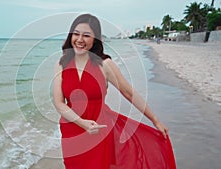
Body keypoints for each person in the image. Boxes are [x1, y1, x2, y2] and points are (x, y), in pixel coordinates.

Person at [53, 13, 176, 169]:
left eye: (86, 35)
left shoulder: (105, 64)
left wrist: (155, 120)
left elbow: (128, 93)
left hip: (99, 131)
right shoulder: (61, 64)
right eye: (76, 34)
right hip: (71, 132)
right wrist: (82, 123)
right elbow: (59, 103)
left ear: (95, 39)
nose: (80, 40)